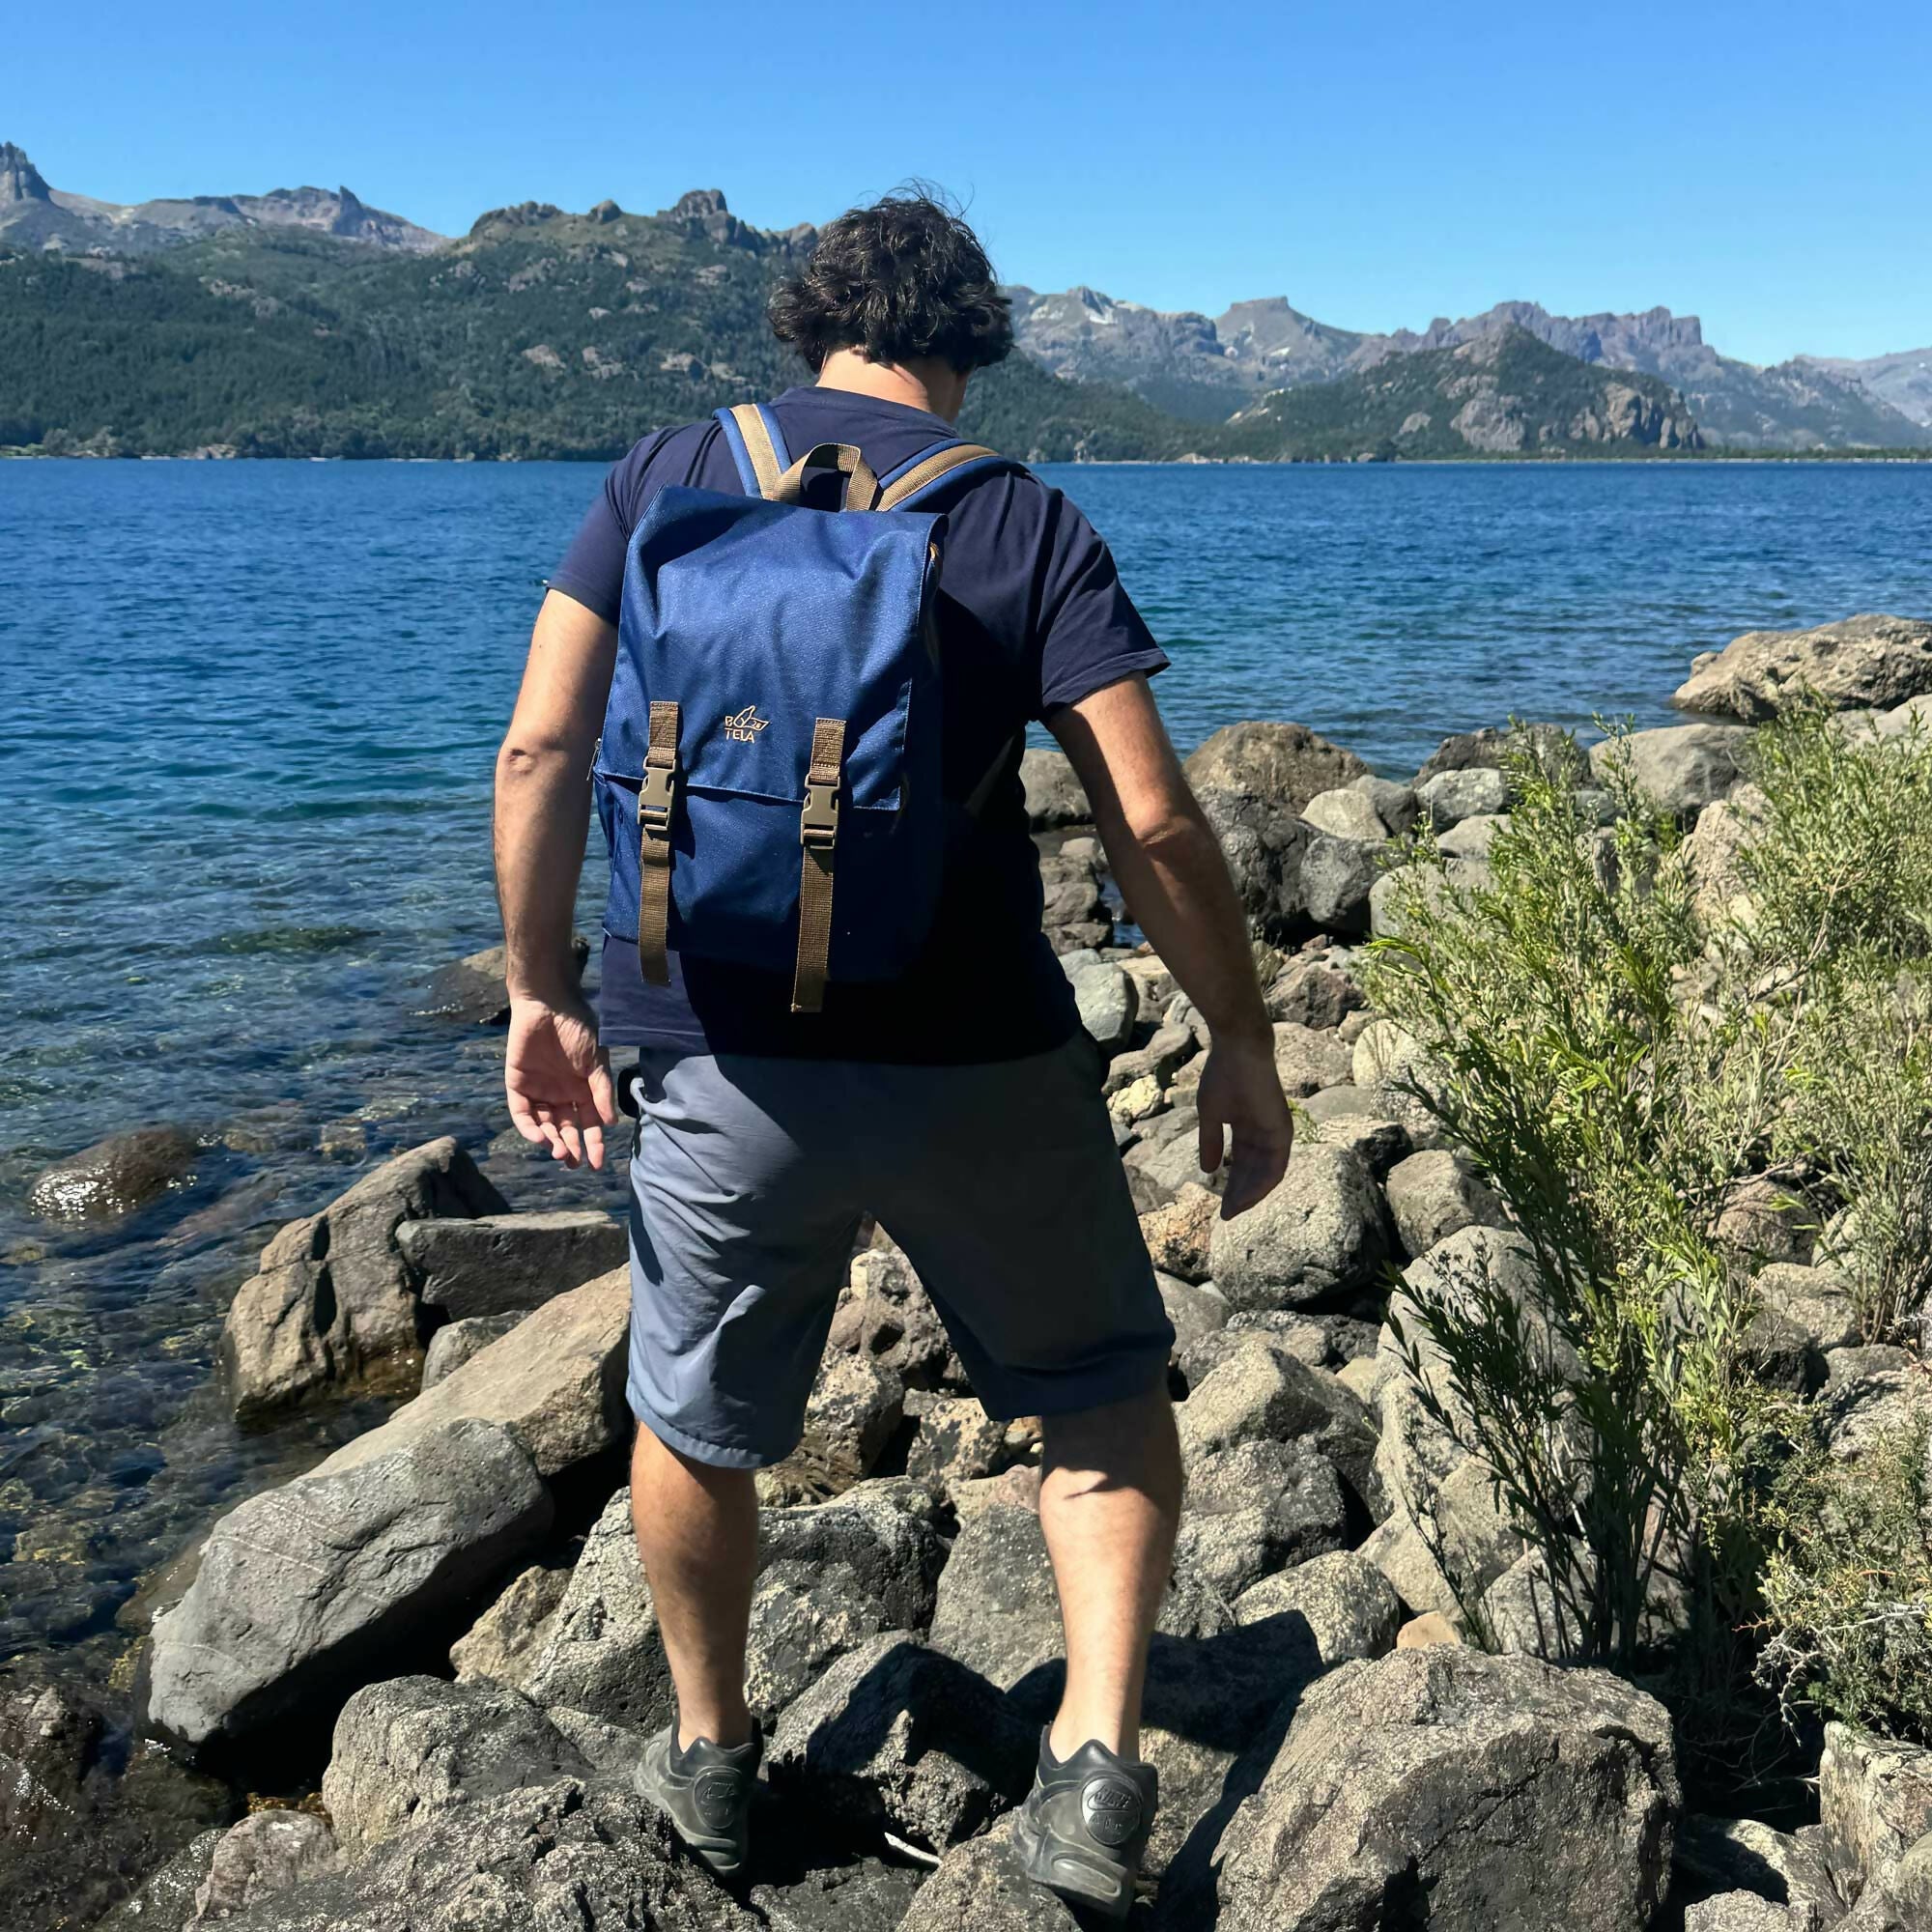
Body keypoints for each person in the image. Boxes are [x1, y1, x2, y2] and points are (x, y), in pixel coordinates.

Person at [492, 190, 1293, 1918]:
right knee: (1095, 1397)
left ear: (811, 321)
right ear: (970, 343)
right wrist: (1237, 1032)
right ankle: (1096, 1768)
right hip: (977, 1054)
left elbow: (542, 750)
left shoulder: (663, 476)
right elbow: (1153, 819)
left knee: (697, 1418)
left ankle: (711, 1758)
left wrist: (539, 989)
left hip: (715, 1047)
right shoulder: (1020, 520)